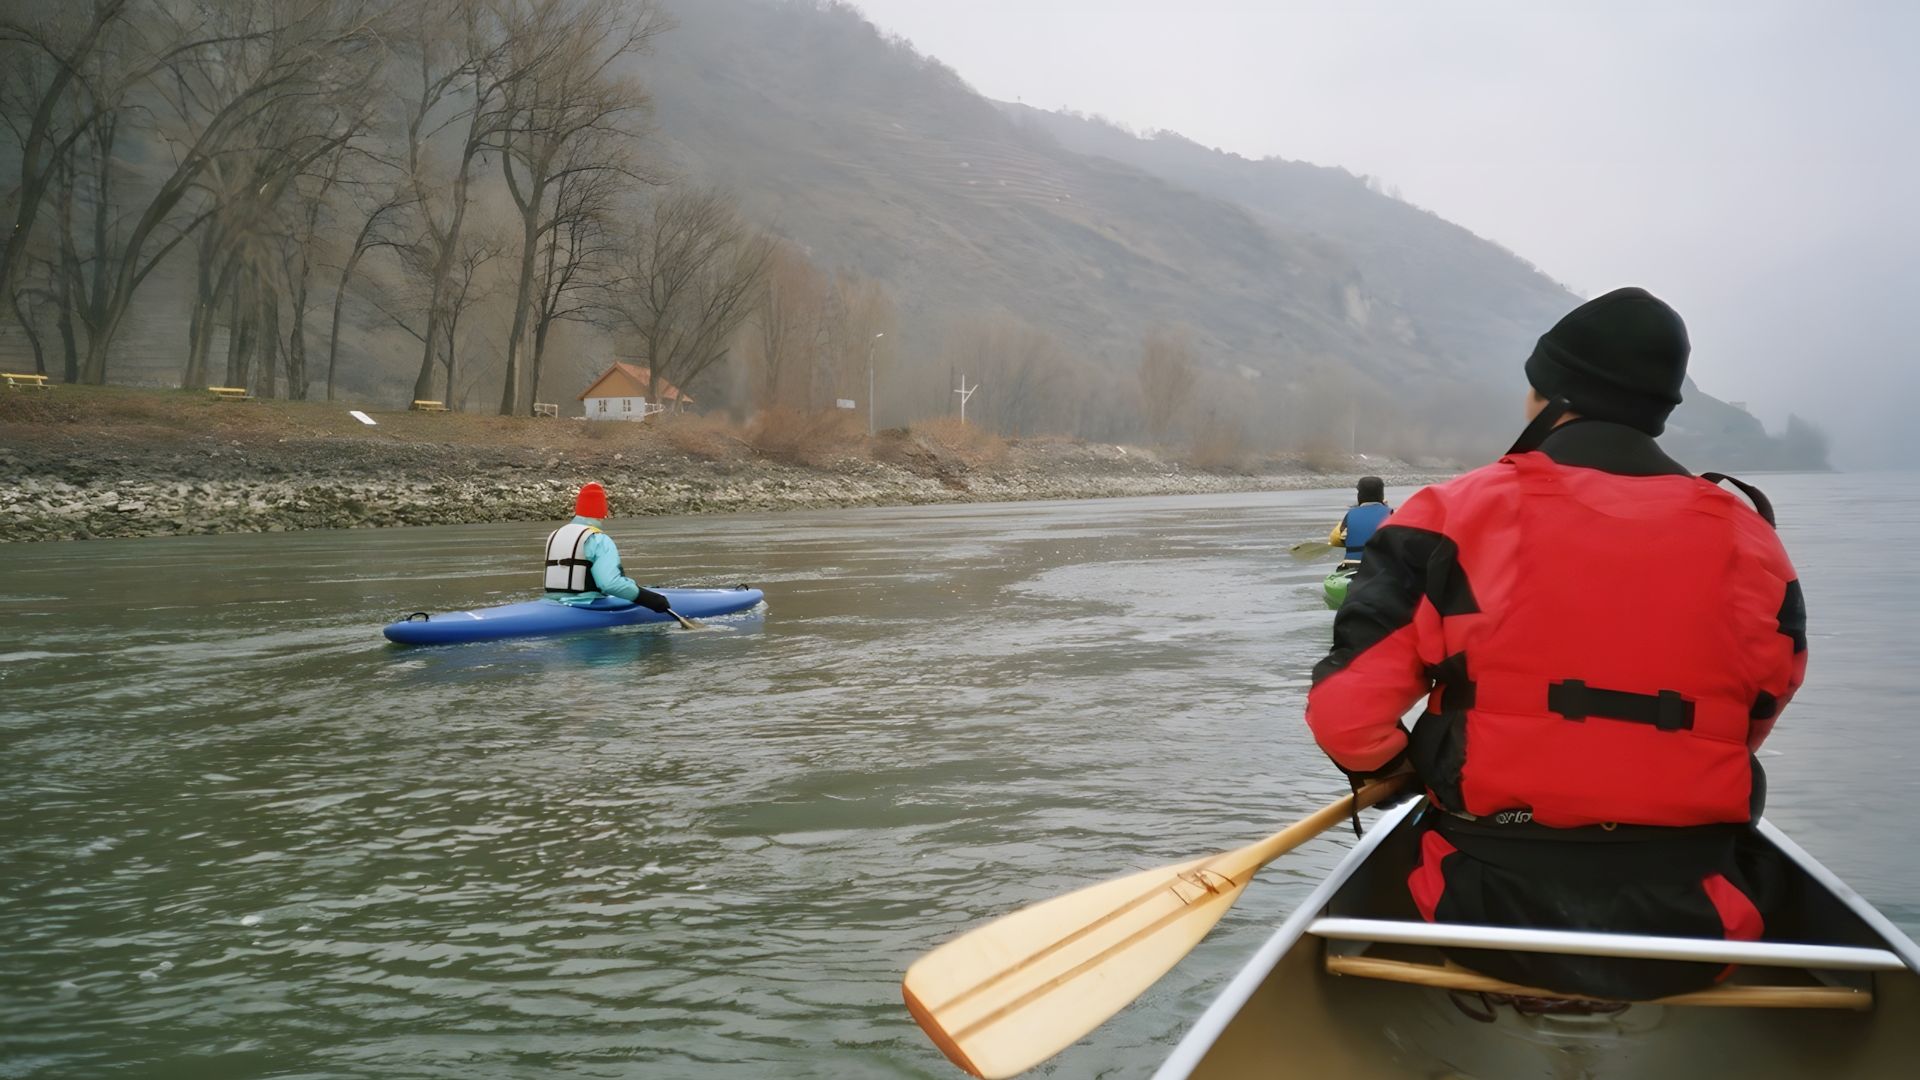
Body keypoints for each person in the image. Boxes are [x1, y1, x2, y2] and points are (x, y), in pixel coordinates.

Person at [1304, 287, 1807, 1001]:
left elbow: (1345, 718)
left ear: (1545, 396)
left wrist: (1413, 772)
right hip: (1702, 923)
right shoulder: (1751, 536)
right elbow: (1753, 714)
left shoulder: (1449, 514)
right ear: (1658, 410)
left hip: (1477, 909)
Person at [544, 482, 674, 614]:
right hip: (587, 605)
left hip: (551, 603)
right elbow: (610, 584)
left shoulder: (554, 535)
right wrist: (649, 598)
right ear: (602, 511)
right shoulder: (597, 539)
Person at [1328, 476, 1392, 565]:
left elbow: (1335, 540)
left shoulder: (1351, 515)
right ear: (1382, 495)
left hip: (1352, 565)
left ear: (1359, 495)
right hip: (1381, 566)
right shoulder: (1392, 515)